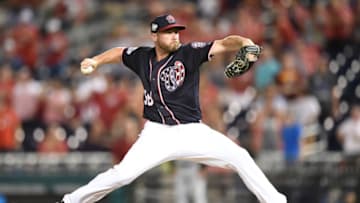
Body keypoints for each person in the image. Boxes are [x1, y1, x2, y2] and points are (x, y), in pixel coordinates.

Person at [59, 14, 287, 203]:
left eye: (176, 31)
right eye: (169, 32)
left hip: (191, 131)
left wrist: (245, 42)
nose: (175, 35)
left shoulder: (189, 53)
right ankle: (70, 201)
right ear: (155, 36)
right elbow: (119, 52)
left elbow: (224, 43)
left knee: (240, 156)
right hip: (157, 133)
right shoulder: (142, 57)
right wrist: (96, 61)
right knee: (122, 175)